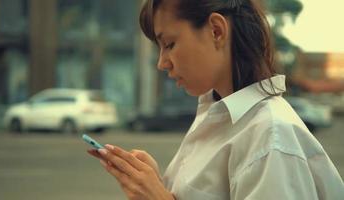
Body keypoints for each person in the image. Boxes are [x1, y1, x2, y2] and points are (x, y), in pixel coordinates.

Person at [88, 0, 344, 199]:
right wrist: (155, 184)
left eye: (170, 44)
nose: (162, 63)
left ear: (216, 30)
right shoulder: (216, 113)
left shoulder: (270, 137)